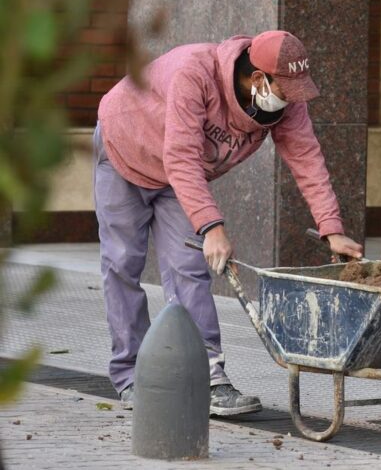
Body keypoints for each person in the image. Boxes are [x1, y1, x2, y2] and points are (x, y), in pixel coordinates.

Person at [94, 30, 363, 416]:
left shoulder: (285, 102)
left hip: (179, 178)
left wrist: (331, 228)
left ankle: (208, 379)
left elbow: (306, 156)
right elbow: (182, 156)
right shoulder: (196, 72)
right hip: (125, 150)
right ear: (258, 80)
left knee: (190, 270)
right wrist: (211, 227)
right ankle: (131, 375)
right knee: (122, 265)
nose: (291, 98)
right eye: (284, 89)